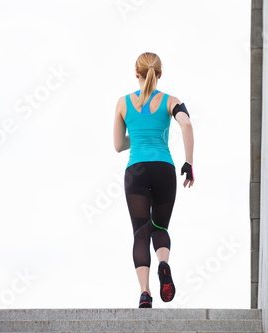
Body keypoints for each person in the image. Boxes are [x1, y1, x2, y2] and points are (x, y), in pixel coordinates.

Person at [113, 52, 195, 308]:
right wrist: (189, 163)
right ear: (159, 74)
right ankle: (163, 264)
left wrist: (137, 138)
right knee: (159, 228)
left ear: (136, 74)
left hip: (135, 171)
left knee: (140, 233)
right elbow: (187, 125)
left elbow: (118, 146)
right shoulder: (171, 101)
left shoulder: (123, 103)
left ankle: (145, 293)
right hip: (164, 168)